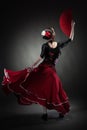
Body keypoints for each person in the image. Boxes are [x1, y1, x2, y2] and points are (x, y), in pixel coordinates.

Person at [2, 20, 75, 121]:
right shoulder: (45, 46)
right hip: (43, 69)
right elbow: (41, 58)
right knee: (46, 90)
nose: (53, 33)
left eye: (52, 31)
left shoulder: (58, 45)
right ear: (52, 35)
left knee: (52, 89)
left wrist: (72, 26)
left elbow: (70, 39)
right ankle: (47, 114)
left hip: (50, 70)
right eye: (52, 32)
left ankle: (59, 111)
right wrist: (32, 66)